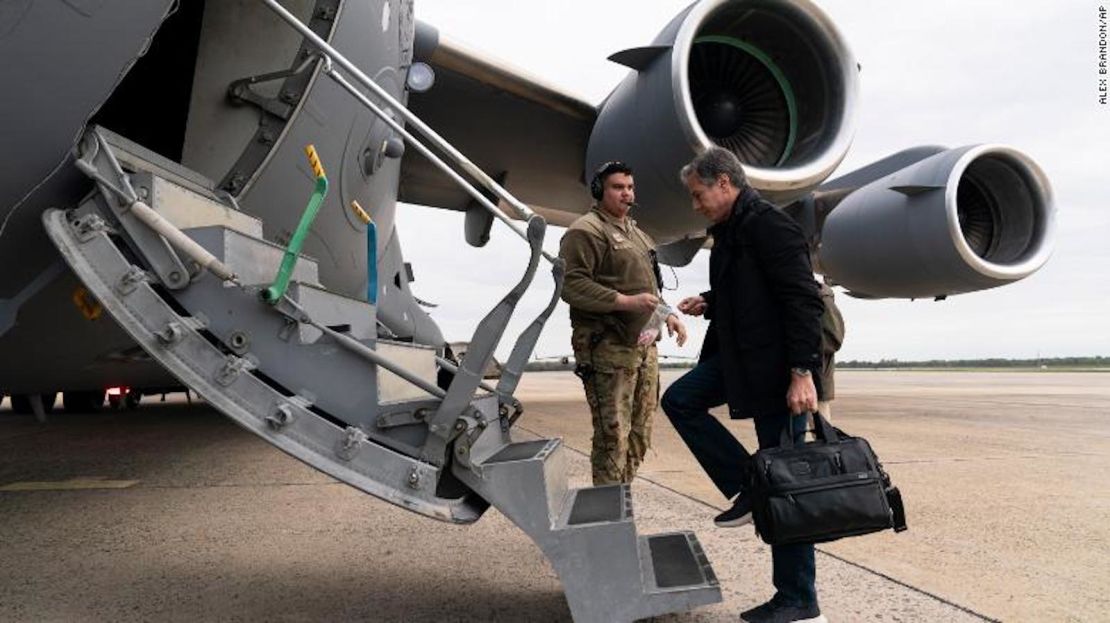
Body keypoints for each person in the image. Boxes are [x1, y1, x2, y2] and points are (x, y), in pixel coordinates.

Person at [662, 147, 827, 623]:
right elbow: (755, 290)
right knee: (680, 400)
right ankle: (748, 484)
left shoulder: (772, 227)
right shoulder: (731, 231)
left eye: (698, 195)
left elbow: (803, 302)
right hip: (740, 360)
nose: (696, 205)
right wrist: (711, 301)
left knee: (787, 489)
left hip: (778, 374)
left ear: (724, 184)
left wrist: (802, 373)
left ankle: (797, 598)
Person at [559, 161, 687, 486]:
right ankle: (607, 514)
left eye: (630, 187)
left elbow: (650, 290)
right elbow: (571, 285)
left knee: (640, 434)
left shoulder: (639, 236)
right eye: (618, 187)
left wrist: (668, 314)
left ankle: (619, 499)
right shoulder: (585, 231)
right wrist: (624, 302)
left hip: (644, 349)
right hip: (608, 349)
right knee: (612, 435)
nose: (626, 193)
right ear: (601, 190)